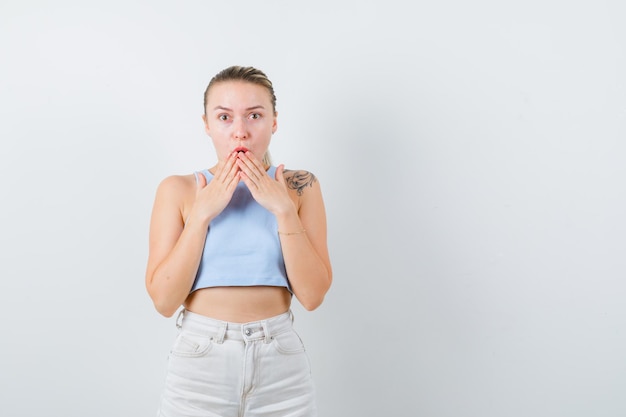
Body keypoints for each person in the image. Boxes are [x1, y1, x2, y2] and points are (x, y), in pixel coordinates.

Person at [145, 65, 332, 417]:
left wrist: (283, 210)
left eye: (255, 116)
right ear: (207, 124)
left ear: (274, 121)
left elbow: (312, 295)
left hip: (281, 366)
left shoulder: (299, 186)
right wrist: (202, 214)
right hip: (200, 366)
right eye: (225, 117)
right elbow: (164, 301)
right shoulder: (179, 190)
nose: (240, 132)